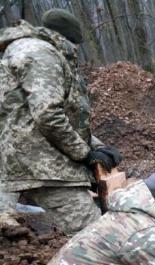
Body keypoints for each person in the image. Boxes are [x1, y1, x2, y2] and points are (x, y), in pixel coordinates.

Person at [0, 9, 122, 236]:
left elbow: (32, 115)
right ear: (69, 39)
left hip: (32, 158)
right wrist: (84, 154)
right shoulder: (41, 54)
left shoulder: (30, 50)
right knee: (99, 235)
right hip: (43, 165)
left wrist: (96, 146)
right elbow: (48, 115)